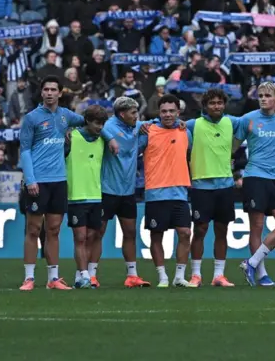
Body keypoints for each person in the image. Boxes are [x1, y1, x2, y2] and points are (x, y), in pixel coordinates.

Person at [18, 76, 86, 290]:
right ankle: (29, 278)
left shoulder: (66, 116)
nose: (49, 93)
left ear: (60, 92)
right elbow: (25, 150)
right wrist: (30, 179)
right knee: (33, 229)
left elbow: (88, 122)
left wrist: (72, 137)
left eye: (53, 89)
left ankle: (53, 279)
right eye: (46, 89)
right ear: (41, 93)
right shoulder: (31, 118)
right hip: (38, 181)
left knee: (54, 229)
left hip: (59, 180)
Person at [240, 81, 275, 287]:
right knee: (256, 227)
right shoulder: (248, 119)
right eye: (260, 95)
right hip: (254, 177)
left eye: (267, 95)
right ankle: (262, 275)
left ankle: (251, 263)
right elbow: (234, 144)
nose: (263, 98)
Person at [185, 89, 241, 287]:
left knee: (221, 231)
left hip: (225, 185)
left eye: (219, 103)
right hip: (201, 185)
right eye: (212, 103)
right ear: (205, 106)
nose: (216, 106)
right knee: (199, 230)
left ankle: (219, 275)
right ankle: (196, 275)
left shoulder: (232, 122)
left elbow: (255, 118)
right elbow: (171, 124)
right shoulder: (193, 125)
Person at [138, 94, 193, 288]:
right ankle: (162, 276)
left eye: (171, 111)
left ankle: (179, 276)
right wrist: (147, 123)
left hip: (180, 191)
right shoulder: (148, 130)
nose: (167, 115)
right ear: (158, 113)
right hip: (156, 191)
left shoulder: (186, 130)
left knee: (185, 232)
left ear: (178, 112)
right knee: (157, 235)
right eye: (163, 111)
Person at [98, 96, 150, 287]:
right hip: (107, 189)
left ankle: (132, 275)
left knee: (130, 232)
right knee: (98, 233)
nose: (138, 116)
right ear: (122, 114)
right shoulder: (109, 126)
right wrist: (109, 138)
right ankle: (91, 274)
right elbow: (89, 122)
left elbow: (157, 122)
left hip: (128, 190)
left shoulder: (137, 126)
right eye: (134, 113)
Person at [65, 104, 108, 288]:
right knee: (80, 236)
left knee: (92, 236)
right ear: (87, 121)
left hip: (96, 196)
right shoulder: (71, 138)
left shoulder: (102, 140)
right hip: (76, 196)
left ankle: (80, 275)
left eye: (102, 124)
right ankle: (84, 275)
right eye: (97, 123)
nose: (100, 127)